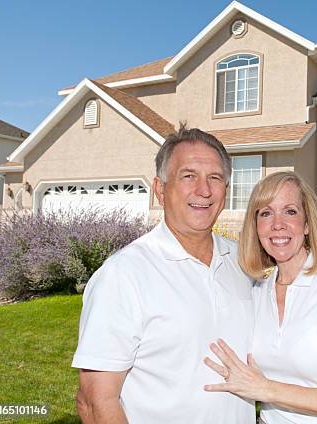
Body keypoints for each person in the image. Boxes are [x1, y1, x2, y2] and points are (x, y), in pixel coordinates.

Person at [72, 126, 255, 423]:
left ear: (226, 191)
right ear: (160, 189)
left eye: (215, 178)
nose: (204, 191)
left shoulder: (243, 262)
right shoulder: (123, 275)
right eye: (188, 176)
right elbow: (94, 401)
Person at [204, 171, 317, 423]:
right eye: (265, 213)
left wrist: (266, 389)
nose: (277, 224)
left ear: (307, 224)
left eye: (290, 211)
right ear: (256, 227)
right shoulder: (256, 292)